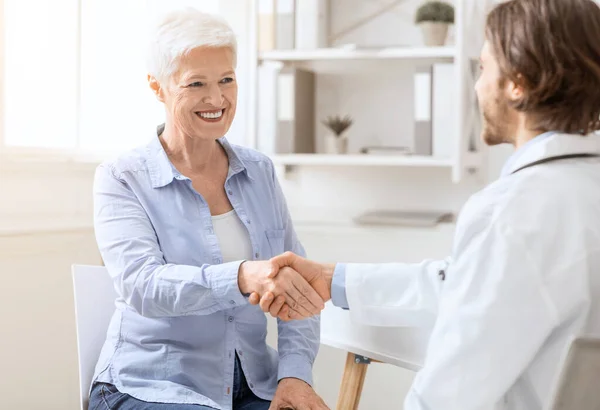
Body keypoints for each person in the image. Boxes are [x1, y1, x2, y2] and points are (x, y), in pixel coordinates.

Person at [252, 0, 600, 408]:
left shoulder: (513, 212)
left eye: (484, 68)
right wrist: (335, 279)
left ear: (517, 84)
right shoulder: (577, 191)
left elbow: (449, 393)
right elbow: (466, 284)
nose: (476, 85)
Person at [89, 9, 328, 410]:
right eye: (196, 83)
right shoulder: (122, 177)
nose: (217, 99)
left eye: (227, 80)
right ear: (158, 87)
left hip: (253, 383)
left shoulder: (260, 172)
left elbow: (298, 286)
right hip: (151, 385)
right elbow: (143, 286)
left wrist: (294, 375)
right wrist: (241, 276)